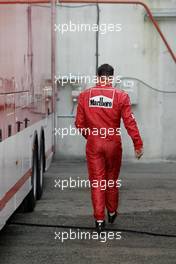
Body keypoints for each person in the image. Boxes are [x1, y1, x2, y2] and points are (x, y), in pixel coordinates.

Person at [75, 64, 143, 233]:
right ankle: (111, 211)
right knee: (111, 179)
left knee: (97, 181)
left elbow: (79, 123)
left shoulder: (84, 96)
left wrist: (90, 136)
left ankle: (99, 220)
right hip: (113, 143)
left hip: (94, 143)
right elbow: (130, 122)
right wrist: (138, 144)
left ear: (98, 78)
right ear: (111, 78)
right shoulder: (121, 96)